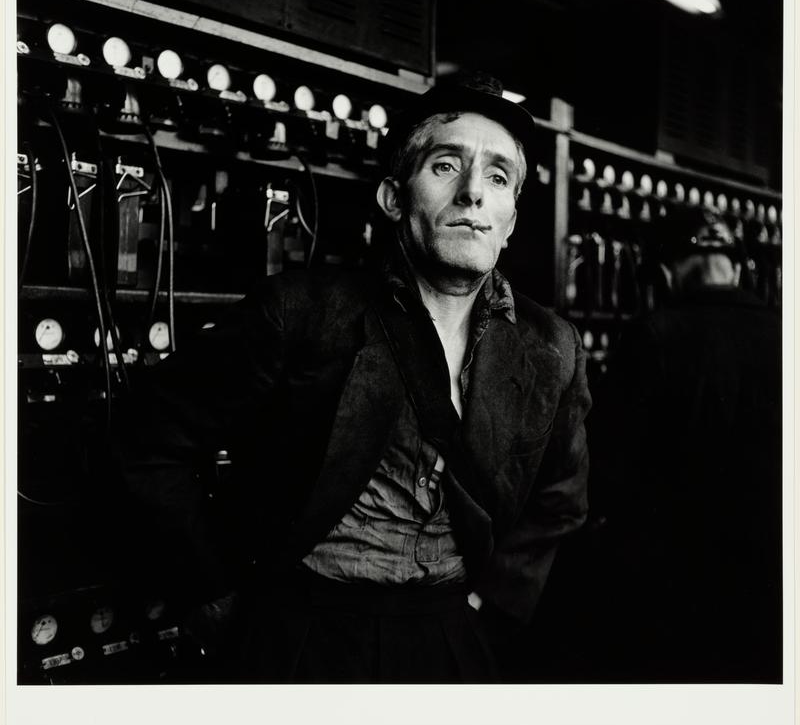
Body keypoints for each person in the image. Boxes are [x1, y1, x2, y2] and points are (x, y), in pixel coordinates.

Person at [113, 74, 591, 684]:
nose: (474, 192)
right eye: (446, 166)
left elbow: (562, 497)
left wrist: (489, 604)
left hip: (451, 633)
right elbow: (150, 437)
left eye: (498, 177)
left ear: (512, 221)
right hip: (300, 632)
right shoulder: (302, 311)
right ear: (394, 198)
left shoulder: (551, 347)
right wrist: (210, 594)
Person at [586, 207, 782, 683]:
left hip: (669, 582)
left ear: (668, 269)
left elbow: (607, 469)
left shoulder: (653, 334)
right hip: (770, 585)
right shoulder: (786, 334)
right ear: (737, 268)